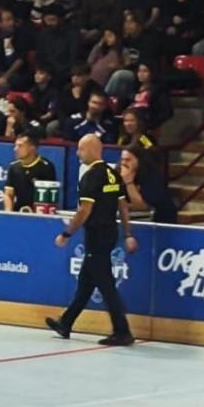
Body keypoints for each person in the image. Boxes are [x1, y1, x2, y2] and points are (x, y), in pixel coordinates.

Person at [49, 135, 137, 346]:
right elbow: (123, 207)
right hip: (110, 233)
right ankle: (66, 322)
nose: (78, 154)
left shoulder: (90, 177)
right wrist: (127, 233)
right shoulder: (113, 175)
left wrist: (66, 233)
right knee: (86, 281)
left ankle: (122, 331)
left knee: (106, 284)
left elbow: (84, 210)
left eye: (81, 150)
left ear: (91, 150)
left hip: (96, 235)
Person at [3, 132, 58, 212]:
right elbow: (8, 194)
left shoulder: (46, 167)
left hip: (39, 214)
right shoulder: (14, 167)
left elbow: (48, 199)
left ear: (32, 147)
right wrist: (8, 212)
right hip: (18, 212)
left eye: (20, 146)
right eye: (15, 145)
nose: (15, 149)